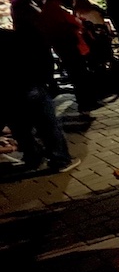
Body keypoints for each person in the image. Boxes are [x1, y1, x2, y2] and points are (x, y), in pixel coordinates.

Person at [1, 27, 81, 172]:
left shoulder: (11, 37)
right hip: (28, 85)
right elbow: (38, 59)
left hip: (6, 92)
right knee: (47, 124)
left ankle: (32, 156)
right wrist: (45, 79)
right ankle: (60, 158)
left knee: (20, 127)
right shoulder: (15, 37)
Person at [39, 0, 98, 114]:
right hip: (70, 45)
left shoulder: (45, 11)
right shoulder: (56, 10)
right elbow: (73, 23)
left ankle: (85, 101)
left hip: (61, 47)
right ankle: (86, 102)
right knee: (79, 74)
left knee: (76, 74)